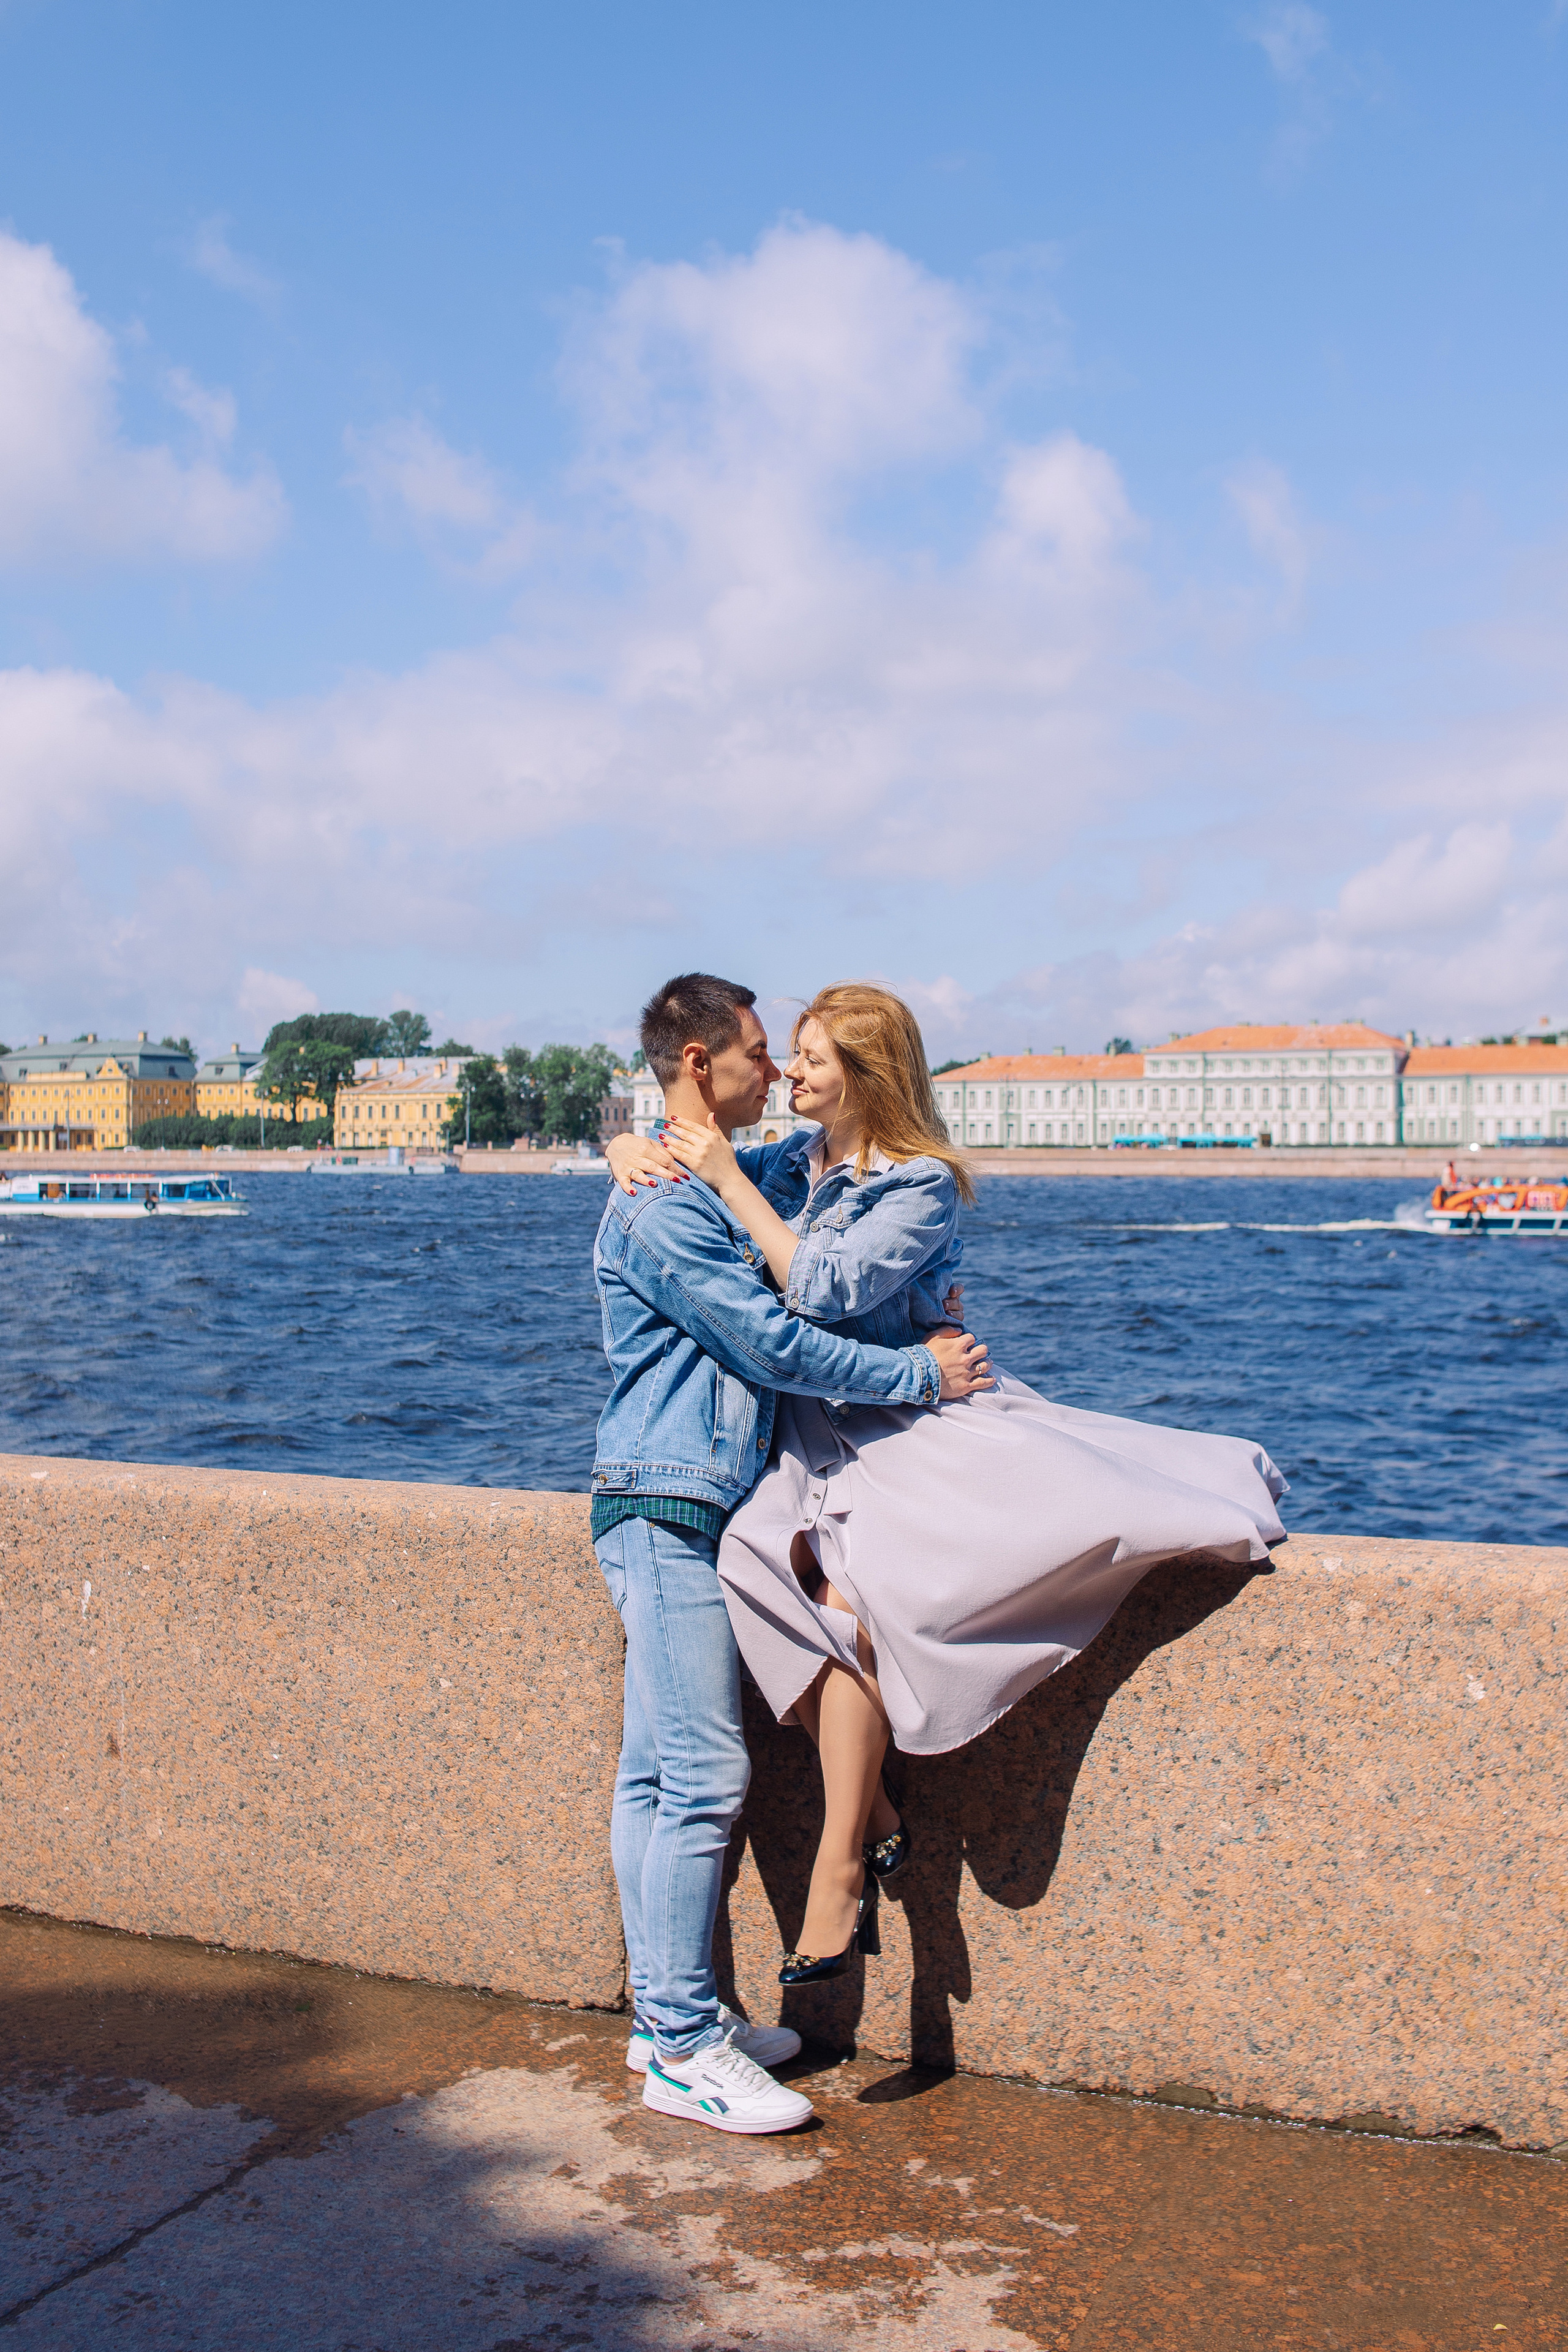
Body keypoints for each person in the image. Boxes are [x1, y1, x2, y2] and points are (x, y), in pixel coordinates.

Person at [609, 981, 1286, 1987]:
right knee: (766, 1579)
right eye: (782, 1054)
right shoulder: (792, 1160)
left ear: (865, 1078)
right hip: (812, 1430)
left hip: (896, 1421)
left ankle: (841, 1865)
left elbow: (822, 1288)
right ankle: (876, 1810)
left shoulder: (917, 1182)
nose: (790, 1072)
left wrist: (719, 1174)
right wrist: (628, 1147)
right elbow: (681, 1173)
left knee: (856, 1596)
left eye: (811, 1059)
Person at [590, 972, 992, 2138]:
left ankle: (672, 2019)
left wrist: (619, 1137)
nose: (776, 1073)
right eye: (759, 1055)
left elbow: (823, 1203)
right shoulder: (670, 1206)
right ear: (702, 1065)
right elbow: (773, 1339)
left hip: (686, 1496)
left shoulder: (729, 1174)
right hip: (671, 1499)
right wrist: (921, 1374)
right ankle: (679, 2041)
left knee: (651, 1777)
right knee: (703, 1779)